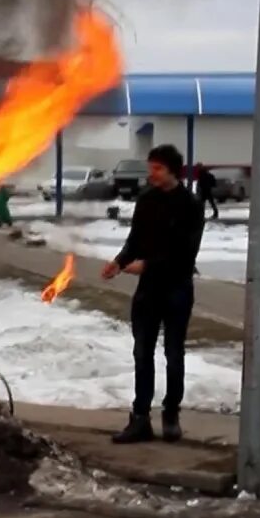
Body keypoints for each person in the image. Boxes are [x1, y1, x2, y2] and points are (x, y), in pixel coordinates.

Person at [101, 144, 204, 444]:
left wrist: (147, 265)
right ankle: (140, 418)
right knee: (142, 353)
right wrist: (119, 263)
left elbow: (186, 253)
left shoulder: (190, 204)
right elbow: (135, 240)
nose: (152, 174)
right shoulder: (147, 200)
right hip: (148, 291)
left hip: (177, 289)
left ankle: (171, 414)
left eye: (157, 169)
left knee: (174, 353)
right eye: (150, 168)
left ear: (173, 170)